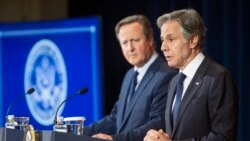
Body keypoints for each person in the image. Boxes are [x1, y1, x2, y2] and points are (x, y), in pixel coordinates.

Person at [143, 8, 238, 141]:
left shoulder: (217, 78)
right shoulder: (174, 81)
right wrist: (158, 137)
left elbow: (223, 137)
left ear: (193, 40)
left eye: (170, 39)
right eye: (162, 39)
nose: (163, 47)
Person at [83, 15, 177, 141]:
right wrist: (79, 132)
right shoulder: (129, 75)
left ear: (150, 40)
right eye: (125, 42)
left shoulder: (167, 74)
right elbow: (115, 118)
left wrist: (115, 139)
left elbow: (157, 124)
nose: (130, 48)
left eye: (135, 40)